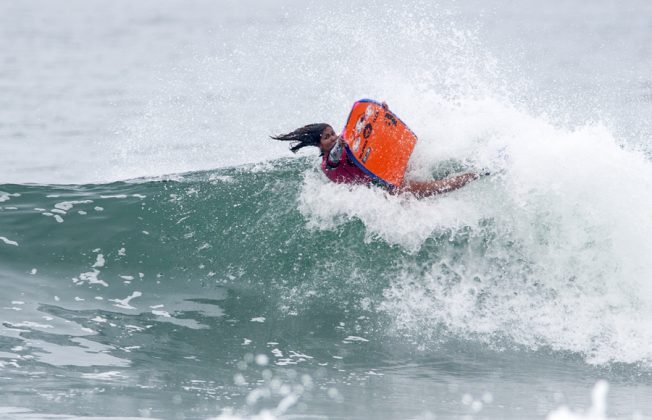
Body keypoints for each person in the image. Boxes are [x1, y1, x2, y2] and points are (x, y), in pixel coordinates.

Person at [271, 104, 482, 198]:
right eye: (327, 137)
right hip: (386, 190)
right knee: (437, 187)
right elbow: (335, 156)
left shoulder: (347, 143)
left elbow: (373, 135)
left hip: (387, 172)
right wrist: (340, 143)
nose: (334, 137)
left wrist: (382, 115)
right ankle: (479, 174)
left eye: (333, 133)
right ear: (318, 145)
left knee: (432, 168)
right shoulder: (329, 163)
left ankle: (477, 163)